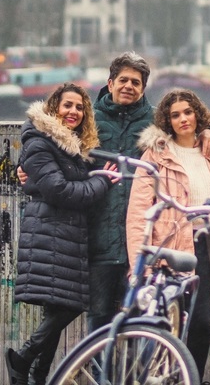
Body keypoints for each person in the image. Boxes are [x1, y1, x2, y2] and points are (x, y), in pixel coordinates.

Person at [6, 83, 120, 385]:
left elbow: (53, 180)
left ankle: (35, 377)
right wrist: (102, 183)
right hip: (50, 232)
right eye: (68, 105)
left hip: (64, 235)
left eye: (80, 107)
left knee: (56, 311)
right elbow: (60, 190)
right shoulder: (41, 141)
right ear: (54, 106)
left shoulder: (70, 145)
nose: (74, 112)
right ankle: (24, 357)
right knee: (69, 306)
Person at [125, 89, 210, 385]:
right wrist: (137, 267)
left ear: (198, 115)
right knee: (166, 327)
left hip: (201, 248)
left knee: (201, 325)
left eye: (188, 112)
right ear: (167, 121)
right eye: (175, 115)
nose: (183, 119)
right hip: (166, 251)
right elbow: (137, 213)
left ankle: (192, 379)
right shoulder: (156, 154)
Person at [86, 51, 156, 330]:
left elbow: (194, 122)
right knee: (99, 318)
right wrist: (24, 165)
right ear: (110, 82)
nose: (128, 86)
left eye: (136, 82)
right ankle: (101, 373)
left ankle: (131, 375)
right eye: (123, 80)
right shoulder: (88, 117)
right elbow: (50, 136)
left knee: (137, 318)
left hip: (138, 239)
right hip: (99, 236)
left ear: (143, 88)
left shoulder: (155, 119)